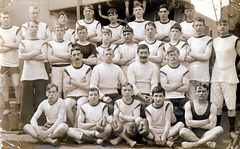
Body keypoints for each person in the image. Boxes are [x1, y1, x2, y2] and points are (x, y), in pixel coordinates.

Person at [18, 20, 49, 133]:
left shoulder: (43, 42)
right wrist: (36, 53)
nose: (34, 29)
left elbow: (44, 56)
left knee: (41, 100)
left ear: (38, 28)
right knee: (26, 100)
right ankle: (23, 126)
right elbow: (21, 56)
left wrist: (29, 56)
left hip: (40, 74)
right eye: (31, 27)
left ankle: (41, 125)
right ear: (28, 28)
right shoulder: (23, 42)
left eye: (36, 27)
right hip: (27, 75)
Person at [210, 19, 240, 134]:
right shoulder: (215, 41)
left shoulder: (235, 40)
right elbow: (213, 59)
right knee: (217, 105)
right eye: (220, 25)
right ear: (217, 27)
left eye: (224, 24)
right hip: (217, 76)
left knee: (230, 105)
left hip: (230, 76)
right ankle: (217, 128)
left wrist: (236, 69)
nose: (222, 27)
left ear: (228, 26)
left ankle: (231, 130)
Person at [179, 83, 224, 148]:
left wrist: (194, 124)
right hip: (192, 133)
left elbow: (212, 126)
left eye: (203, 91)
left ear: (207, 93)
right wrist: (206, 121)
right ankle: (206, 143)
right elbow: (188, 123)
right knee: (182, 131)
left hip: (207, 134)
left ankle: (195, 144)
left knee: (220, 129)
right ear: (195, 93)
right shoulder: (189, 104)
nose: (201, 93)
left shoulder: (212, 106)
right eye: (199, 91)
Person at [90, 48, 127, 114]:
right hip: (103, 94)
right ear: (103, 56)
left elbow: (124, 82)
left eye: (110, 54)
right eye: (106, 54)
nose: (108, 56)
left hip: (115, 94)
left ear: (113, 56)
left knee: (123, 106)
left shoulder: (117, 68)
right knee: (110, 108)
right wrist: (103, 97)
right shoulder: (97, 68)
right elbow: (93, 85)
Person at [63, 43, 92, 127]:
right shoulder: (67, 69)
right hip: (71, 95)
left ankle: (75, 127)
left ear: (82, 55)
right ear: (71, 57)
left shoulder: (88, 68)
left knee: (80, 105)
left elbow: (87, 86)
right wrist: (81, 83)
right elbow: (66, 87)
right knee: (66, 105)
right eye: (74, 55)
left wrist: (73, 82)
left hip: (83, 94)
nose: (76, 57)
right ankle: (74, 126)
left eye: (78, 54)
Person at [110, 83, 147, 147]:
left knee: (138, 120)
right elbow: (116, 117)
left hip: (131, 126)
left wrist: (123, 116)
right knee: (110, 119)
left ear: (132, 92)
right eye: (125, 90)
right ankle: (129, 141)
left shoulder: (137, 103)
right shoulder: (118, 102)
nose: (127, 92)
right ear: (121, 92)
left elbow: (136, 117)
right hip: (120, 125)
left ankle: (119, 138)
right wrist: (129, 117)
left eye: (129, 90)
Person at [127, 44, 159, 118]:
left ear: (149, 54)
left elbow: (154, 83)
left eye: (145, 53)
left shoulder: (153, 66)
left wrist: (151, 96)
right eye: (141, 53)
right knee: (143, 105)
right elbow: (131, 84)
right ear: (137, 53)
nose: (143, 55)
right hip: (136, 95)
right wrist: (140, 96)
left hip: (150, 94)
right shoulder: (132, 66)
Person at [185, 17, 212, 101]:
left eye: (200, 25)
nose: (198, 27)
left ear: (204, 26)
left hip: (203, 76)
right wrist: (200, 56)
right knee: (192, 102)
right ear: (193, 26)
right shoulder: (190, 40)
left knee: (202, 102)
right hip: (191, 76)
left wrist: (192, 54)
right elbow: (186, 58)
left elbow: (206, 56)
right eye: (196, 25)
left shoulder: (209, 40)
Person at [160, 46, 189, 122]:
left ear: (178, 55)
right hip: (168, 97)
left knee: (189, 106)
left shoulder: (184, 70)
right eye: (171, 55)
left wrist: (171, 86)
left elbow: (186, 88)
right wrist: (179, 84)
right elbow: (164, 87)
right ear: (167, 57)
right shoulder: (163, 69)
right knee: (167, 107)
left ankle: (188, 125)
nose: (173, 57)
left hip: (181, 97)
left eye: (175, 55)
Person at [0, 11, 22, 115]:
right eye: (3, 18)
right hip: (3, 63)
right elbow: (0, 48)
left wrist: (6, 45)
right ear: (0, 19)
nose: (6, 19)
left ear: (10, 18)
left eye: (7, 17)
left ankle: (18, 107)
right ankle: (7, 107)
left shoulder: (16, 29)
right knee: (4, 85)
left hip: (14, 63)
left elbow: (19, 44)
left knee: (17, 85)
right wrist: (12, 45)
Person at [48, 23, 71, 98]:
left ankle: (66, 106)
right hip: (55, 68)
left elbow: (70, 56)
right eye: (57, 30)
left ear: (64, 32)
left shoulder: (68, 43)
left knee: (66, 88)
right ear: (54, 32)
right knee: (57, 88)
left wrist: (56, 54)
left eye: (61, 30)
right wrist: (64, 57)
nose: (59, 32)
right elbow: (50, 58)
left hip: (67, 68)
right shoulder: (51, 43)